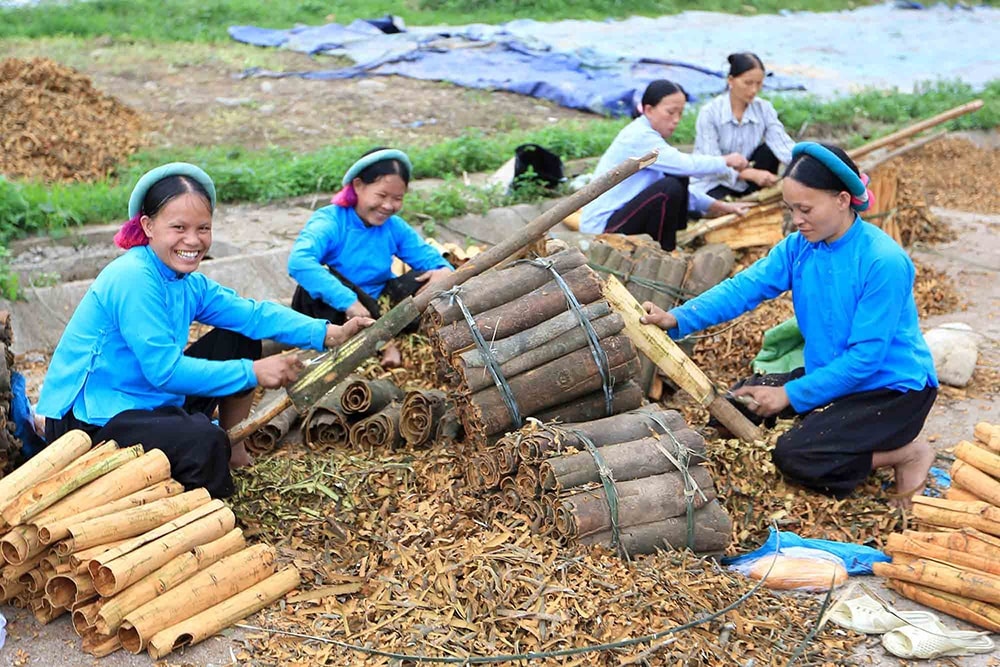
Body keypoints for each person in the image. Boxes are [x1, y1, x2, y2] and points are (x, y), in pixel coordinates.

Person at [36, 163, 373, 498]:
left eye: (203, 228)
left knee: (238, 338)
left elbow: (253, 316)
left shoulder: (186, 282)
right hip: (91, 419)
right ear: (148, 226)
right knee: (204, 441)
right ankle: (203, 502)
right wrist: (253, 371)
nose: (193, 241)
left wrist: (329, 333)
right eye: (179, 227)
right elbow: (164, 371)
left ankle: (234, 446)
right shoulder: (134, 278)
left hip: (145, 399)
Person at [641, 142, 938, 506]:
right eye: (791, 209)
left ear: (843, 200)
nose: (797, 219)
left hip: (890, 391)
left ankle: (906, 453)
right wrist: (678, 318)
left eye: (806, 209)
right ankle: (827, 434)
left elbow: (866, 359)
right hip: (834, 377)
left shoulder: (883, 261)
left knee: (795, 456)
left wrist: (790, 395)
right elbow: (745, 287)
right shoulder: (800, 246)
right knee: (738, 406)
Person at [288, 148, 453, 368]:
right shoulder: (331, 221)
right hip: (334, 312)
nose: (388, 206)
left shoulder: (393, 227)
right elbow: (299, 262)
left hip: (379, 309)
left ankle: (382, 337)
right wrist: (349, 302)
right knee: (324, 279)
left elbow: (430, 259)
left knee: (426, 277)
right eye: (381, 195)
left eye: (397, 198)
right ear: (358, 186)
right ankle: (381, 343)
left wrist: (443, 271)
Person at [579, 79, 751, 251]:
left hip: (621, 217)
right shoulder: (639, 137)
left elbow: (687, 190)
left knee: (675, 182)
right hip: (603, 229)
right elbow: (686, 165)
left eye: (680, 113)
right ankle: (665, 251)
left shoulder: (650, 139)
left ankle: (666, 247)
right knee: (670, 187)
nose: (676, 120)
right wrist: (726, 161)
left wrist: (722, 207)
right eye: (670, 112)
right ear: (648, 110)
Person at [692, 52, 796, 200]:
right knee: (713, 203)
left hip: (747, 182)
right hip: (713, 182)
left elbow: (783, 145)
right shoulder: (710, 113)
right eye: (748, 83)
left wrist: (807, 162)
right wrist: (749, 174)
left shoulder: (764, 109)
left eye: (759, 84)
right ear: (731, 80)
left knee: (768, 151)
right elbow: (711, 162)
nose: (754, 90)